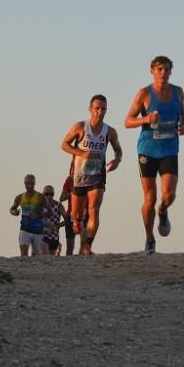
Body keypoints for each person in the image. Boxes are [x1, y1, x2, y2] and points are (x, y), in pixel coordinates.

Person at [124, 56, 184, 254]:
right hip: (148, 150)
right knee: (149, 198)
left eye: (166, 69)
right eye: (159, 69)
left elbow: (182, 113)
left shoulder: (178, 92)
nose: (163, 72)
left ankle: (163, 210)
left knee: (169, 194)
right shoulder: (144, 93)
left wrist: (183, 124)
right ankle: (149, 237)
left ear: (171, 71)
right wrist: (146, 119)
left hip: (169, 148)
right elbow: (127, 121)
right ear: (152, 71)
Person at [61, 95, 123, 255]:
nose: (100, 112)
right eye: (97, 108)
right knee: (76, 215)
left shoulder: (110, 132)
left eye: (103, 109)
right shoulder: (80, 127)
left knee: (94, 208)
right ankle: (76, 221)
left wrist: (117, 160)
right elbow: (64, 145)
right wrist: (81, 153)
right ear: (90, 109)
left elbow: (118, 150)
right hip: (78, 176)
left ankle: (88, 245)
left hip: (97, 175)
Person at [9, 174, 48, 257]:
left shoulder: (41, 197)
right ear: (24, 184)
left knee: (36, 255)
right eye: (27, 184)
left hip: (38, 231)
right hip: (25, 230)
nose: (29, 186)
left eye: (31, 184)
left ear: (34, 184)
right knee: (24, 254)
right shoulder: (19, 197)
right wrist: (14, 212)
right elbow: (12, 209)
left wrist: (38, 215)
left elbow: (50, 212)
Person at [58, 171, 76, 256]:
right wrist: (72, 193)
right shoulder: (70, 180)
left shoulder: (89, 179)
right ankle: (69, 262)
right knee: (70, 245)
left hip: (84, 213)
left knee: (85, 242)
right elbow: (61, 198)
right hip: (71, 214)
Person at [42, 185, 63, 256]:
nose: (49, 196)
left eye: (51, 194)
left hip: (54, 236)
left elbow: (68, 218)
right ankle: (58, 249)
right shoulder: (39, 206)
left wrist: (59, 225)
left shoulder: (58, 205)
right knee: (45, 255)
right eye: (46, 194)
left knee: (53, 259)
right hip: (43, 236)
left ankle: (57, 250)